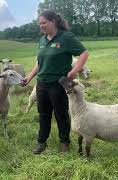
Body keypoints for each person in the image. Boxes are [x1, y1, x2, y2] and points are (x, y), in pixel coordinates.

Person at [21, 10, 88, 154]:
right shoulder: (42, 40)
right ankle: (41, 142)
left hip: (58, 84)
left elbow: (84, 53)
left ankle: (64, 142)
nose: (41, 26)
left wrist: (75, 70)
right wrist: (29, 77)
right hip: (42, 84)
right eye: (40, 23)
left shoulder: (66, 37)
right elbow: (39, 62)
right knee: (43, 114)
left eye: (44, 22)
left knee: (61, 114)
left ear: (53, 22)